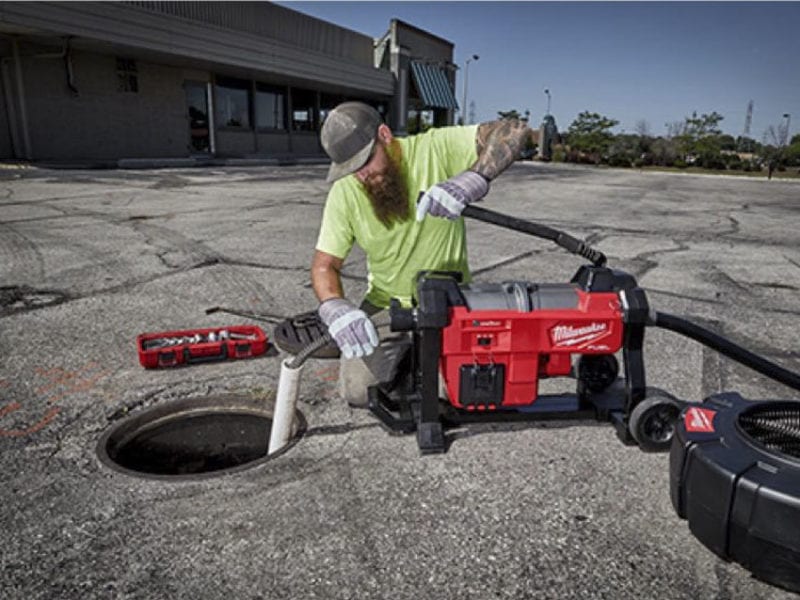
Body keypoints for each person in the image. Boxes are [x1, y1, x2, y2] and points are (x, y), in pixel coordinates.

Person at [312, 101, 536, 407]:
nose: (361, 176)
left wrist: (475, 177)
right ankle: (411, 363)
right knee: (357, 391)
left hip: (452, 301)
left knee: (469, 393)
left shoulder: (435, 148)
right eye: (351, 169)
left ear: (385, 135)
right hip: (387, 304)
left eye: (365, 162)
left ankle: (420, 367)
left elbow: (514, 129)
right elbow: (325, 264)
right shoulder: (346, 191)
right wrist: (334, 305)